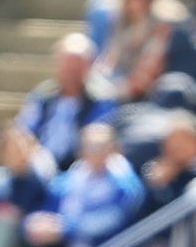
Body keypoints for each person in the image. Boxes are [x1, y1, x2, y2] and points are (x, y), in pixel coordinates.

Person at [15, 33, 119, 170]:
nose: (71, 71)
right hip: (39, 165)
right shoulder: (42, 95)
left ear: (88, 66)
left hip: (79, 168)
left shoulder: (101, 100)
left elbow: (96, 139)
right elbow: (24, 130)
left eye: (77, 64)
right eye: (67, 64)